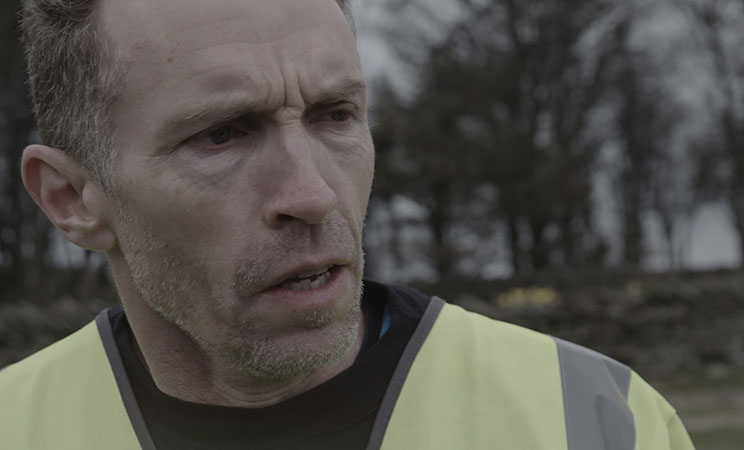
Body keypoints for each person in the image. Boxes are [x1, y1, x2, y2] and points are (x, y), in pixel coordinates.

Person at [0, 0, 695, 449]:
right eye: (222, 135)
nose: (312, 194)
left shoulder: (599, 420)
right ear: (71, 198)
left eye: (334, 115)